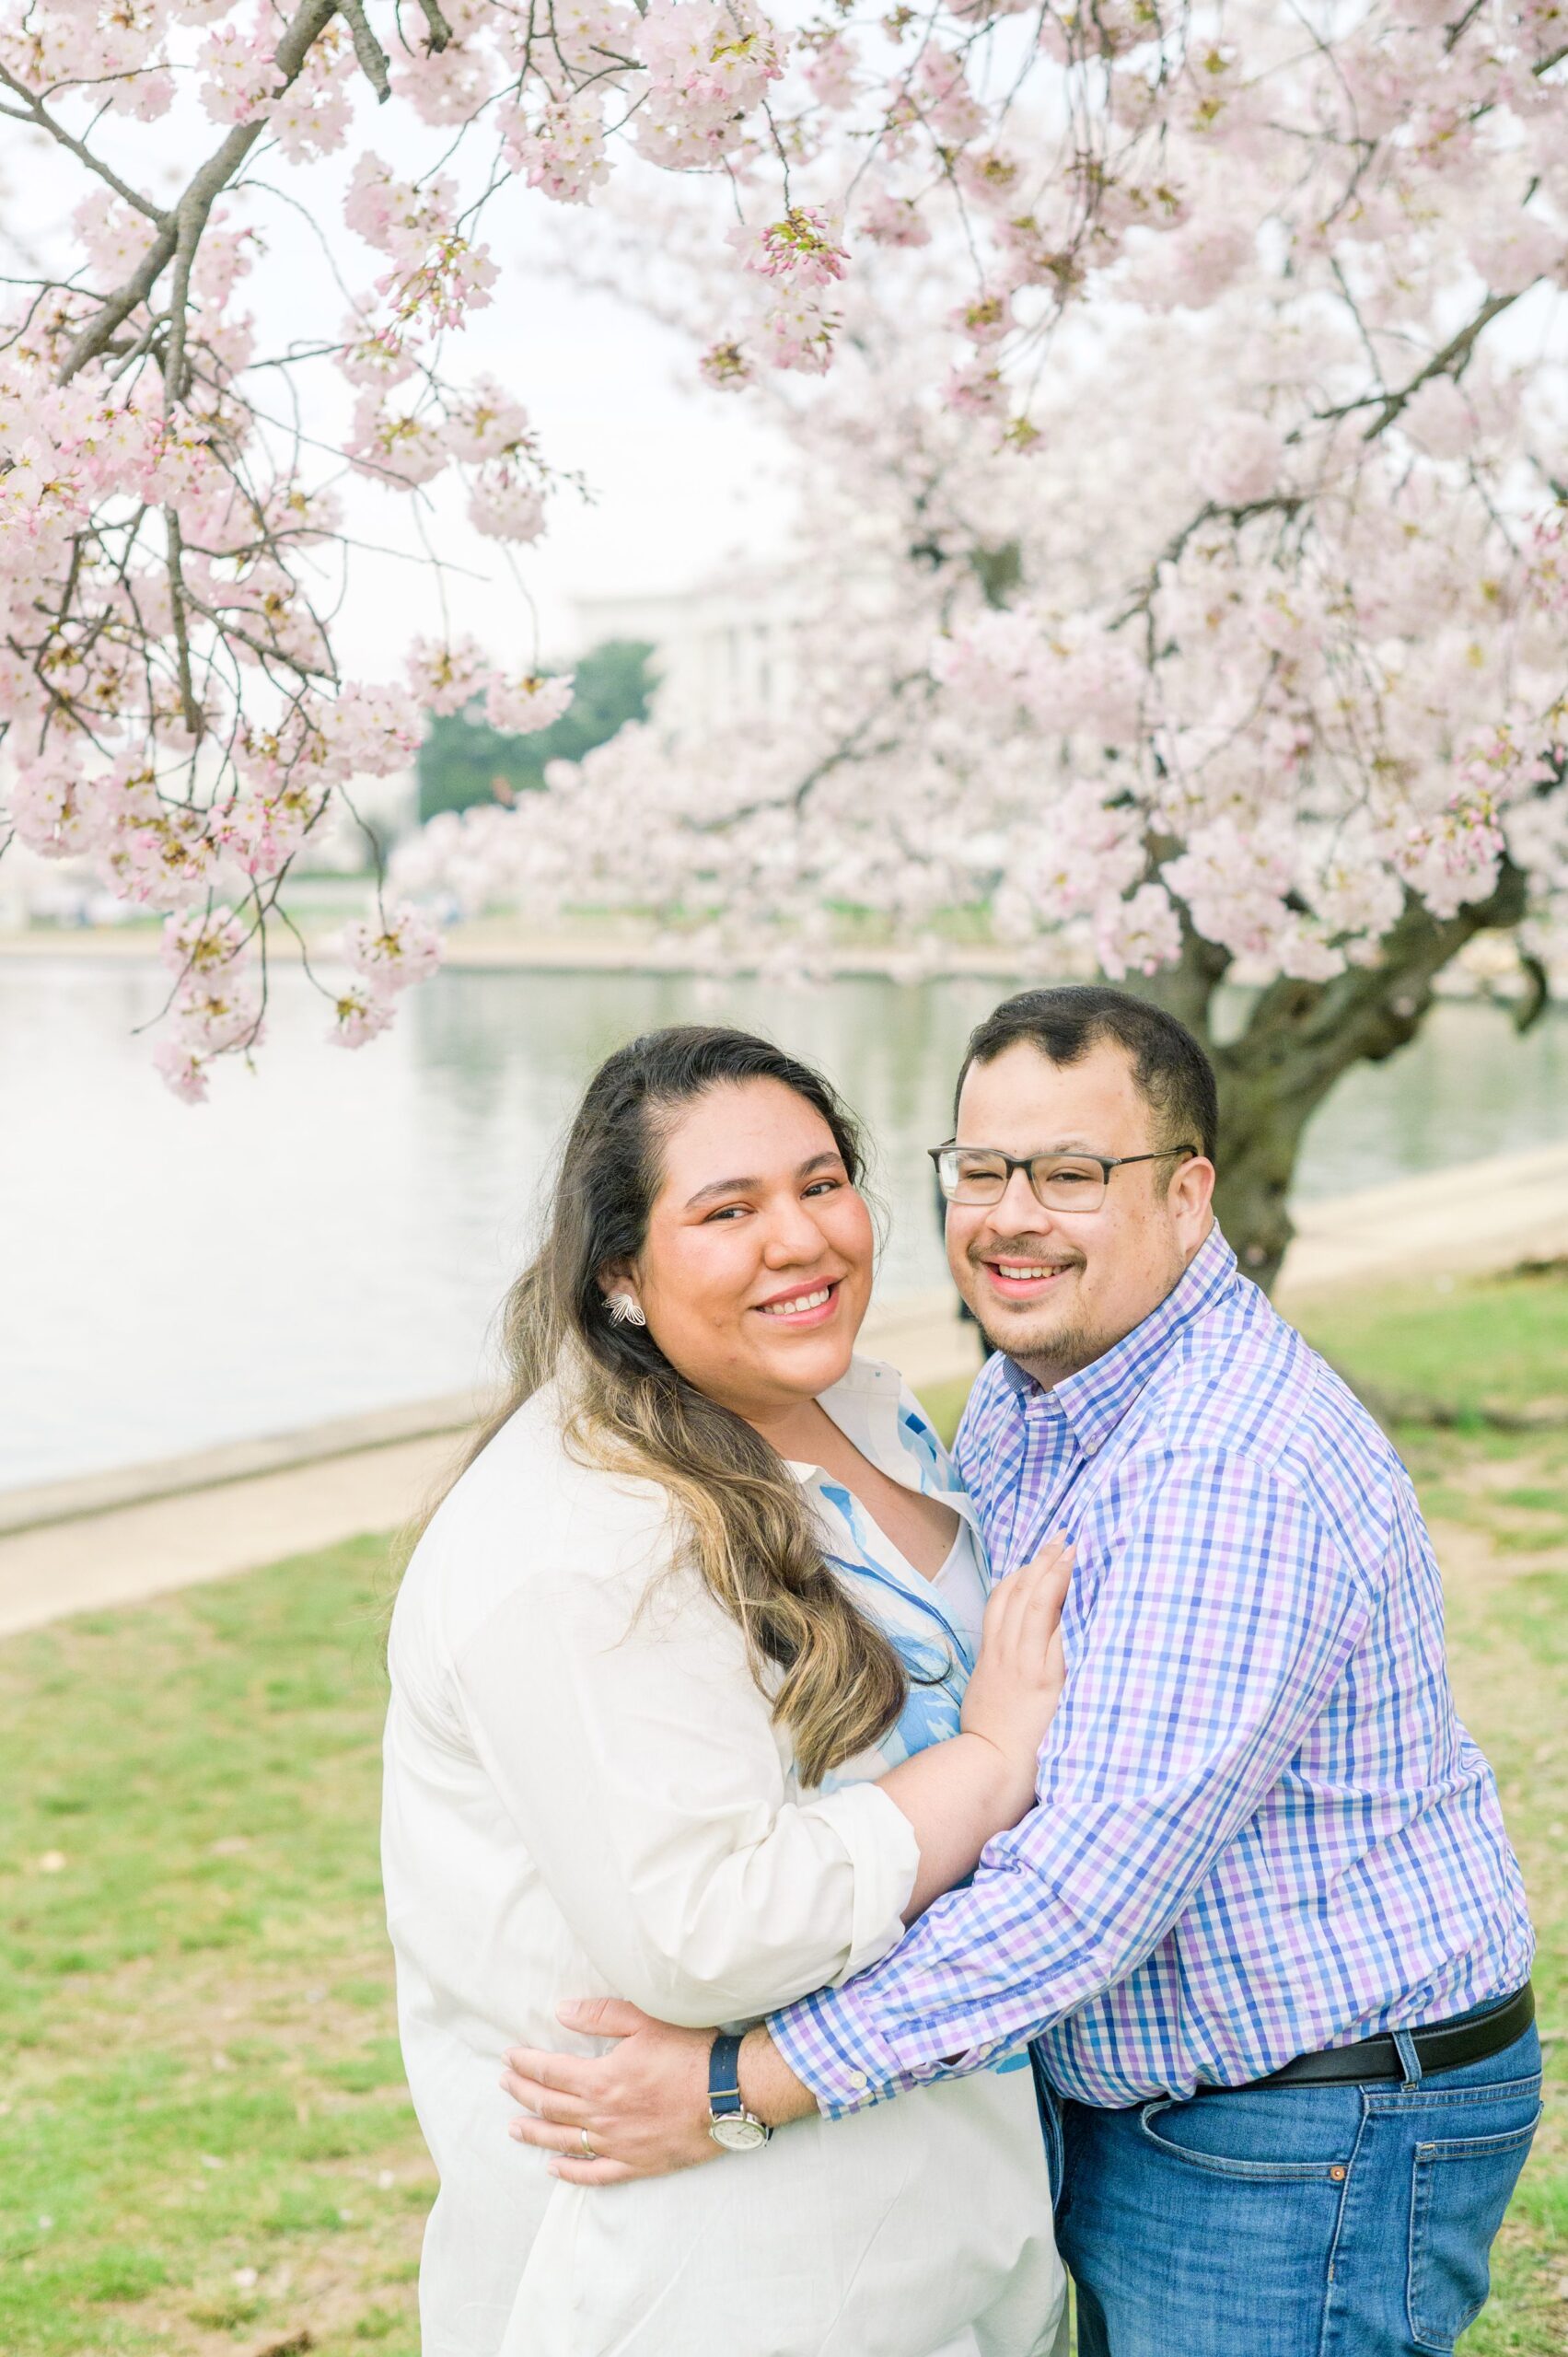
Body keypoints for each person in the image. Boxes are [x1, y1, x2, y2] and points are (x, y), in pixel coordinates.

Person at [502, 986, 1539, 2357]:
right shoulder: (1032, 1392)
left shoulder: (1229, 1472)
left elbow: (1082, 1898)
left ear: (1187, 1195)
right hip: (1172, 2103)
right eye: (980, 1171)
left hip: (1308, 2128)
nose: (1010, 1217)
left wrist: (740, 2084)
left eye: (1071, 1175)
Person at [382, 1024, 1072, 2357]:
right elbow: (704, 1932)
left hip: (962, 2215)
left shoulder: (864, 1408)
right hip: (729, 2274)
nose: (802, 1240)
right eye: (729, 1210)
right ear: (624, 1272)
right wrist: (985, 1766)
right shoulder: (583, 1543)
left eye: (822, 1184)